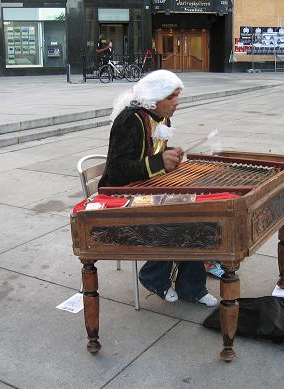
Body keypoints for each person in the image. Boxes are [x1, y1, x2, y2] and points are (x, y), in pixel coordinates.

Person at [98, 70, 218, 307]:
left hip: (146, 187)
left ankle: (190, 285)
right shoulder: (129, 120)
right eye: (171, 97)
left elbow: (152, 151)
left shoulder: (162, 118)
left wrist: (170, 155)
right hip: (120, 195)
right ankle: (155, 276)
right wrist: (159, 162)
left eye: (177, 96)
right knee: (178, 217)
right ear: (155, 98)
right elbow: (117, 168)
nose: (177, 103)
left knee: (195, 209)